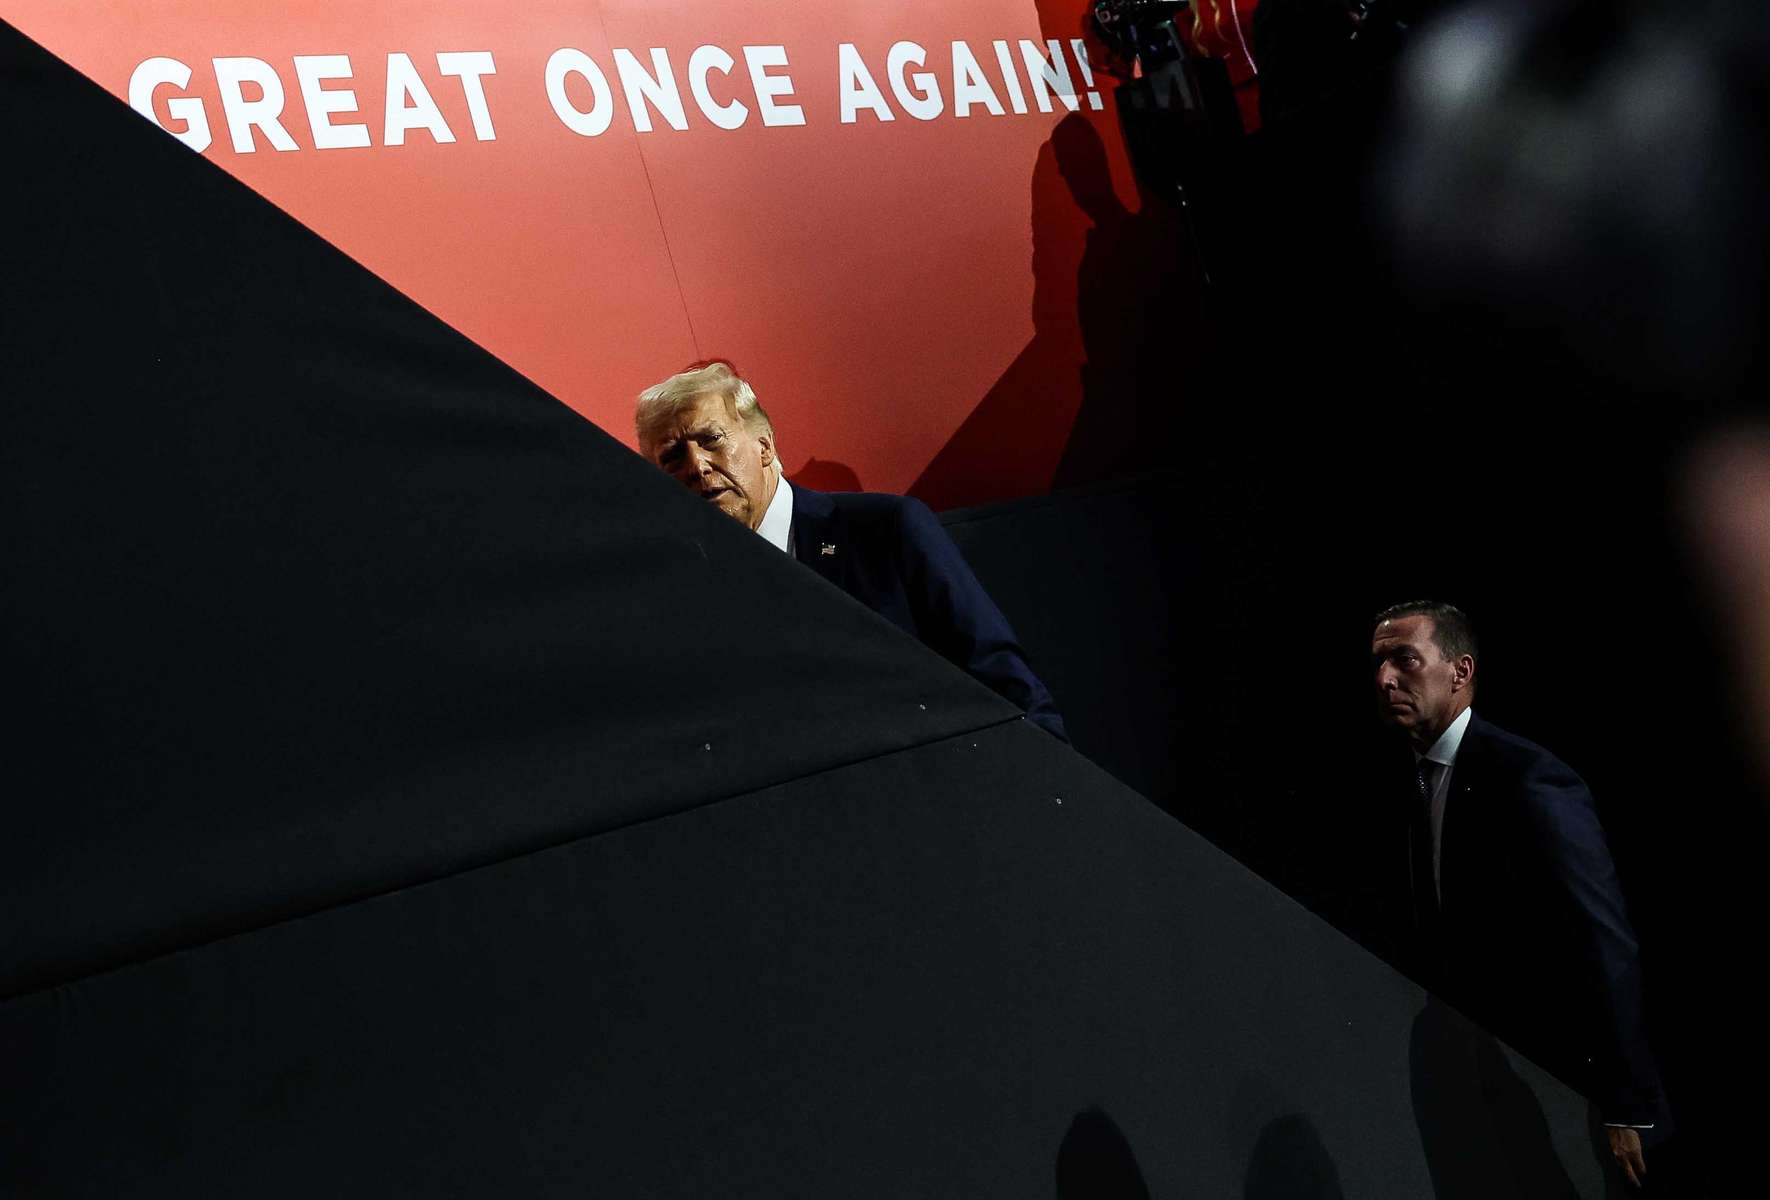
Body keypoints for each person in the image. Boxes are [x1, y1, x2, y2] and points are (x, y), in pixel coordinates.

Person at [1370, 601, 1665, 1187]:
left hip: (1561, 1093)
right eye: (1377, 663)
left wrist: (1629, 1103)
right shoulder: (1413, 782)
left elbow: (1603, 939)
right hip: (1474, 1082)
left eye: (1405, 658)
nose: (1384, 679)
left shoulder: (1528, 778)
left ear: (1460, 672)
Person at [635, 360, 1067, 741]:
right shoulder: (688, 593)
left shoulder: (886, 528)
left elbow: (997, 669)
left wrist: (1055, 788)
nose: (696, 466)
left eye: (711, 439)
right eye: (672, 456)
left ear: (765, 446)